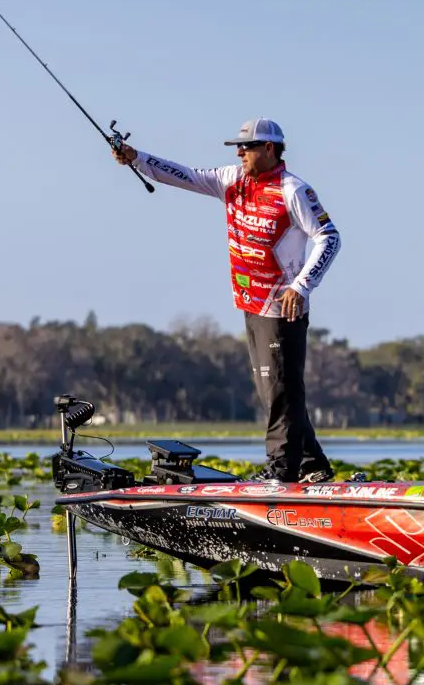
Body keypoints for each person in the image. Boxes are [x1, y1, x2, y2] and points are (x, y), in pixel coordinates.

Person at [113, 118, 341, 482]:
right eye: (238, 147)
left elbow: (329, 237)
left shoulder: (293, 190)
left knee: (280, 390)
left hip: (282, 307)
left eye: (246, 147)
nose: (240, 153)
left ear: (269, 149)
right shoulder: (230, 179)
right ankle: (312, 466)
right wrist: (136, 157)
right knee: (273, 391)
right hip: (250, 304)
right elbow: (183, 175)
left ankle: (282, 469)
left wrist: (301, 286)